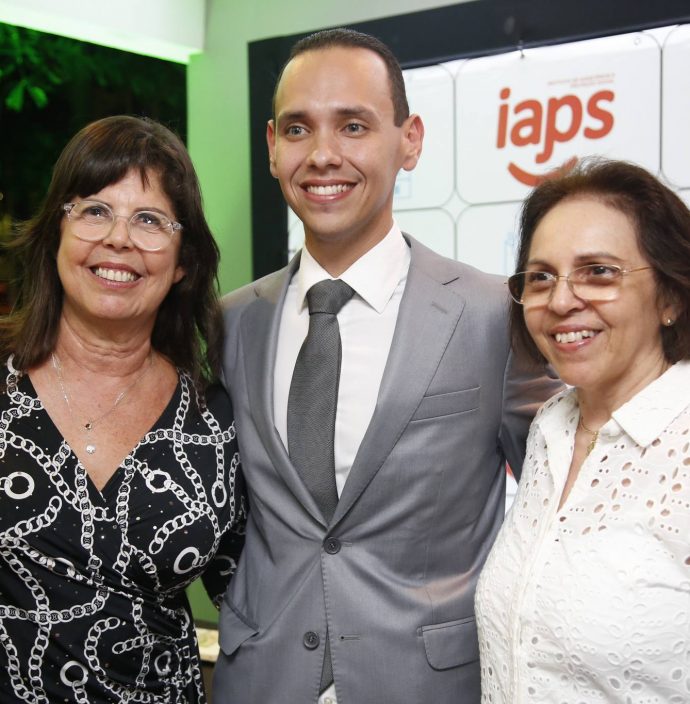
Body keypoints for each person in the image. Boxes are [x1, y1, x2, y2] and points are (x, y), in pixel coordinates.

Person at [214, 28, 560, 704]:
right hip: (261, 678)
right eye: (297, 129)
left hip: (431, 683)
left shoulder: (493, 314)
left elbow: (560, 506)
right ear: (271, 148)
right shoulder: (229, 324)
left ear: (411, 140)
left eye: (353, 125)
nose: (322, 155)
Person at [0, 115, 245, 703]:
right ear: (55, 232)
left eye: (149, 220)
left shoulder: (215, 419)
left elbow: (255, 595)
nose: (119, 239)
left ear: (183, 260)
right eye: (93, 210)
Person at [475, 159, 690, 703]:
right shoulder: (551, 426)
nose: (563, 300)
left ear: (670, 297)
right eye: (541, 276)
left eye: (599, 271)